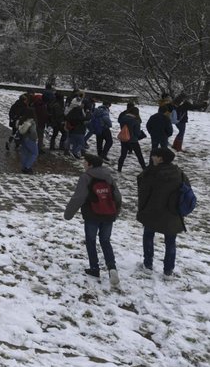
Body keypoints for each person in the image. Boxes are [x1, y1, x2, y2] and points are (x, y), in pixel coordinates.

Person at [64, 153, 122, 284]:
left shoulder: (86, 177)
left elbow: (78, 197)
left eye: (85, 162)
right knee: (105, 241)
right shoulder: (108, 176)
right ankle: (112, 267)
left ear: (90, 164)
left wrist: (68, 214)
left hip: (92, 214)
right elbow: (117, 196)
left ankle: (94, 268)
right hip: (108, 213)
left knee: (91, 240)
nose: (83, 163)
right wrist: (115, 212)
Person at [136, 148, 189, 276]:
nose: (152, 158)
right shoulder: (179, 173)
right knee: (170, 242)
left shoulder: (152, 173)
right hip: (173, 214)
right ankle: (168, 271)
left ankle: (148, 265)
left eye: (154, 156)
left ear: (160, 158)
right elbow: (187, 191)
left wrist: (142, 209)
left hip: (152, 212)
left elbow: (143, 192)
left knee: (148, 236)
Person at [116, 105, 147, 173]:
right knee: (139, 154)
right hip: (133, 140)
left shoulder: (123, 118)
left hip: (124, 138)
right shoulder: (135, 121)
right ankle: (144, 167)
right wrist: (141, 135)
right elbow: (137, 133)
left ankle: (119, 168)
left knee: (123, 155)